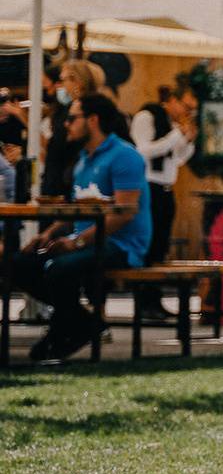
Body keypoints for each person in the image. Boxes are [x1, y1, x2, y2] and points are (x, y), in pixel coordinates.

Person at [10, 94, 150, 360]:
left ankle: (65, 331)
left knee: (60, 270)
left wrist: (76, 242)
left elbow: (124, 214)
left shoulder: (125, 156)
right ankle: (83, 323)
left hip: (121, 245)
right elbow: (76, 207)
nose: (66, 124)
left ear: (93, 120)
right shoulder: (84, 160)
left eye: (72, 118)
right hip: (86, 240)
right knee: (19, 263)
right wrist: (47, 235)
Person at [129, 78, 198, 316]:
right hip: (148, 187)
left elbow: (176, 159)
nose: (188, 113)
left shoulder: (172, 124)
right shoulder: (146, 117)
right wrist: (176, 135)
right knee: (148, 245)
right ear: (171, 100)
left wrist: (187, 141)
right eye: (186, 107)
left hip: (166, 188)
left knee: (161, 246)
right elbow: (144, 151)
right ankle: (143, 302)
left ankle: (154, 299)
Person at [37, 59, 108, 204]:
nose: (60, 86)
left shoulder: (82, 113)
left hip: (70, 186)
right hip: (61, 184)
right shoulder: (65, 110)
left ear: (78, 82)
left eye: (63, 80)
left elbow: (66, 146)